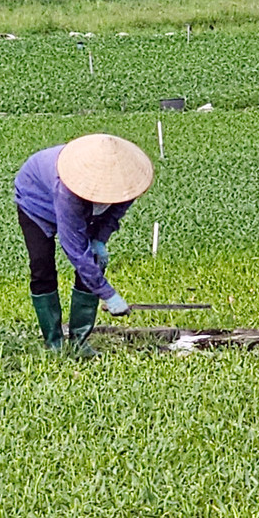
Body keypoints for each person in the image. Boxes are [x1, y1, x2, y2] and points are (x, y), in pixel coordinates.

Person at [13, 133, 154, 355]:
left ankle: (79, 340)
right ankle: (54, 342)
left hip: (84, 209)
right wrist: (107, 293)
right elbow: (75, 250)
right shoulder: (68, 189)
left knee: (94, 261)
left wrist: (99, 240)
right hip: (36, 202)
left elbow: (113, 214)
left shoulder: (126, 182)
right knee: (42, 267)